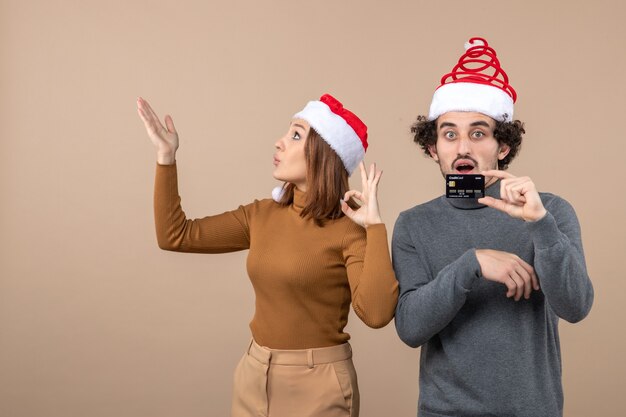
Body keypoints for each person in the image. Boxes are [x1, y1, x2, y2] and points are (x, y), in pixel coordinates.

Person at [137, 93, 398, 417]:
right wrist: (166, 157)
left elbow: (376, 314)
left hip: (320, 387)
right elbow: (175, 235)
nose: (279, 142)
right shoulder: (261, 215)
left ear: (324, 154)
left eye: (296, 135)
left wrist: (374, 226)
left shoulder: (348, 230)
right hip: (254, 375)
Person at [392, 37, 594, 417]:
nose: (463, 147)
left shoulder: (549, 210)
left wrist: (540, 225)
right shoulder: (414, 225)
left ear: (502, 146)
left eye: (478, 133)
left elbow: (576, 306)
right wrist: (471, 263)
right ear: (433, 148)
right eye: (449, 134)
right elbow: (410, 328)